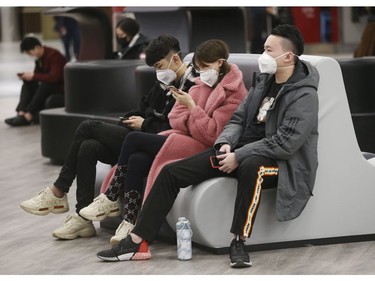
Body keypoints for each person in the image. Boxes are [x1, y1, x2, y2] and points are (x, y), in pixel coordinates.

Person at [96, 24, 320, 268]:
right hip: (237, 152)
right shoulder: (263, 83)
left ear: (288, 56)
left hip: (280, 164)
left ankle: (239, 242)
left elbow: (286, 143)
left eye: (268, 50)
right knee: (171, 173)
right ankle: (138, 241)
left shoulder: (304, 95)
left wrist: (240, 154)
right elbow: (237, 119)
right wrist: (225, 143)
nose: (263, 56)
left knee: (252, 167)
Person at [20, 35, 197, 240]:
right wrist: (131, 119)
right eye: (155, 68)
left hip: (154, 140)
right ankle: (82, 219)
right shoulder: (161, 84)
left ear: (175, 59)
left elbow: (176, 126)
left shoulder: (192, 87)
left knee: (87, 127)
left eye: (160, 66)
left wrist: (145, 124)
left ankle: (59, 190)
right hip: (138, 135)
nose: (158, 73)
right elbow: (142, 107)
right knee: (88, 146)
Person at [79, 39, 248, 249]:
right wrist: (192, 116)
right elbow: (176, 118)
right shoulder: (201, 84)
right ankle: (130, 220)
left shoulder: (235, 93)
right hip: (184, 137)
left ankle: (112, 196)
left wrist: (193, 109)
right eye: (199, 67)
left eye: (205, 67)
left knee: (132, 139)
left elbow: (213, 135)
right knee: (137, 158)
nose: (201, 72)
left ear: (219, 63)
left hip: (204, 148)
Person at [4, 37, 67, 126]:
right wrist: (28, 77)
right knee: (28, 84)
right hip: (49, 85)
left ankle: (28, 115)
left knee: (44, 86)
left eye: (30, 53)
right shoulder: (40, 59)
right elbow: (39, 75)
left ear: (37, 47)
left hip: (60, 87)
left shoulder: (54, 56)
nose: (31, 55)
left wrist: (34, 76)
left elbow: (54, 78)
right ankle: (21, 113)